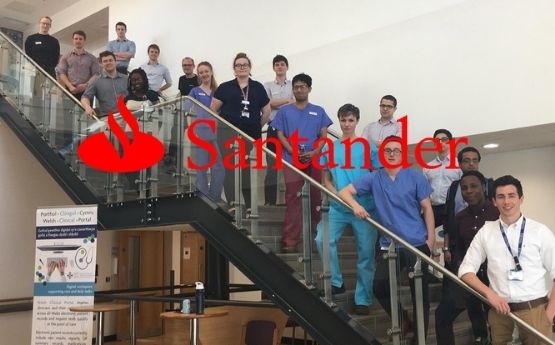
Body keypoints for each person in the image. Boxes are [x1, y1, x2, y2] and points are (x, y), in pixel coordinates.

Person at [338, 136, 435, 339]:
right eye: (388, 150)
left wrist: (431, 241)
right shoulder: (374, 178)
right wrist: (356, 206)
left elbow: (427, 208)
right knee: (379, 286)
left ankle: (420, 339)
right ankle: (403, 320)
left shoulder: (415, 177)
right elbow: (344, 192)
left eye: (396, 150)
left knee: (420, 295)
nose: (392, 154)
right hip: (388, 245)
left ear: (402, 154)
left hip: (416, 243)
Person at [459, 175, 555, 345]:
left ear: (521, 199)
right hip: (499, 312)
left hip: (535, 310)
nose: (506, 202)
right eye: (501, 197)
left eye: (511, 196)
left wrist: (549, 314)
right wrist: (490, 294)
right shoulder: (486, 232)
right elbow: (465, 271)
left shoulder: (539, 231)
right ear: (494, 201)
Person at [314, 103, 380, 315]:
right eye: (343, 120)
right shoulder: (329, 147)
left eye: (351, 120)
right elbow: (326, 177)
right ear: (339, 121)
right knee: (322, 240)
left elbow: (378, 175)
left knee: (366, 254)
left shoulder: (368, 146)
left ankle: (363, 299)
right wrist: (334, 194)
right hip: (338, 207)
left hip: (364, 208)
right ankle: (335, 281)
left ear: (357, 121)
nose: (346, 124)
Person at [435, 171, 499, 345]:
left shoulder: (497, 214)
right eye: (464, 188)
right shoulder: (459, 217)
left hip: (495, 279)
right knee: (442, 314)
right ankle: (479, 337)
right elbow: (459, 249)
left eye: (473, 186)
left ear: (483, 187)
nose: (469, 191)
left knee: (495, 322)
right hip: (469, 277)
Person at [272, 73, 332, 253]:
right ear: (293, 89)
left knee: (315, 197)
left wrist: (315, 152)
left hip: (313, 159)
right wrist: (291, 151)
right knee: (293, 197)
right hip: (291, 159)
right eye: (296, 87)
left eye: (302, 87)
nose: (299, 89)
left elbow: (323, 136)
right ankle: (290, 240)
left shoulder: (318, 111)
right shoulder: (284, 111)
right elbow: (280, 134)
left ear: (309, 89)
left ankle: (317, 239)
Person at [210, 52, 271, 213]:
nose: (242, 67)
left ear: (250, 68)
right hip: (226, 135)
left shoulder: (258, 87)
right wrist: (222, 126)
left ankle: (250, 206)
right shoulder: (224, 87)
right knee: (229, 168)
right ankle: (232, 204)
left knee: (245, 169)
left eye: (245, 65)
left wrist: (256, 126)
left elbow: (266, 111)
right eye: (239, 65)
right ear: (234, 69)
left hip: (248, 136)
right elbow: (213, 109)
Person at [443, 146, 494, 266]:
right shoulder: (454, 187)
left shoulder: (490, 184)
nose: (471, 164)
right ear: (460, 164)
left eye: (475, 160)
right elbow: (447, 218)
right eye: (466, 160)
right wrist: (446, 248)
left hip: (486, 243)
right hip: (458, 242)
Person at [186, 61, 224, 202]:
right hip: (200, 132)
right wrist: (191, 132)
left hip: (216, 133)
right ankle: (203, 197)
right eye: (201, 72)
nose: (204, 74)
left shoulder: (218, 91)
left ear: (211, 72)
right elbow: (188, 112)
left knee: (218, 167)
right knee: (201, 166)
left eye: (206, 71)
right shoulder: (194, 91)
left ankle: (214, 197)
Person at [55, 30, 99, 150]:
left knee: (84, 118)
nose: (78, 41)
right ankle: (67, 144)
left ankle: (82, 144)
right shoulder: (66, 56)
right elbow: (61, 72)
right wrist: (70, 86)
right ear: (72, 40)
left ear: (84, 41)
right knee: (67, 118)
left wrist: (85, 85)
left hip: (86, 92)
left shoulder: (92, 58)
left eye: (80, 39)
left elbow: (96, 74)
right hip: (69, 90)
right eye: (76, 38)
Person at [263, 54, 294, 206]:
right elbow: (267, 102)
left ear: (287, 67)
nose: (280, 67)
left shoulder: (294, 84)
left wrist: (278, 103)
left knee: (292, 165)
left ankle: (292, 200)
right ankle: (270, 201)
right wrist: (287, 101)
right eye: (277, 64)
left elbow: (297, 104)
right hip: (273, 128)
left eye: (282, 64)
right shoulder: (267, 85)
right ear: (274, 68)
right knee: (272, 166)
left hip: (290, 130)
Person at [422, 129, 462, 227]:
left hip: (453, 208)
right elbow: (424, 192)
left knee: (452, 239)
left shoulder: (459, 164)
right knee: (428, 236)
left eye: (444, 139)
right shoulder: (427, 167)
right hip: (433, 209)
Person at [81, 51, 128, 118]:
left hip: (127, 116)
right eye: (105, 61)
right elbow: (85, 97)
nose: (108, 63)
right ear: (101, 64)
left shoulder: (127, 79)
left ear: (115, 62)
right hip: (108, 119)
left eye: (110, 60)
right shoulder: (96, 81)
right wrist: (87, 107)